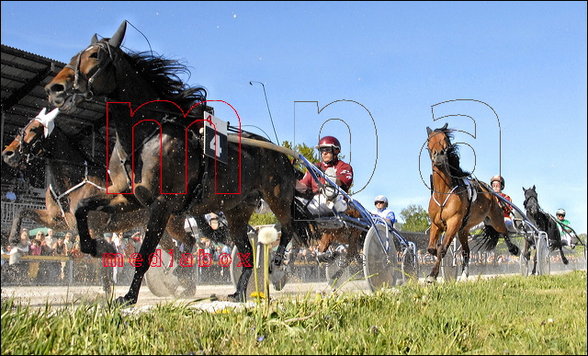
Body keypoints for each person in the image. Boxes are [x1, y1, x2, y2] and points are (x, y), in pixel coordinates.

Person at [296, 136, 354, 215]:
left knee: (329, 195)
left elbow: (342, 182)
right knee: (295, 201)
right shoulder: (314, 167)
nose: (324, 153)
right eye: (321, 150)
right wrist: (290, 182)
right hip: (315, 201)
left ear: (336, 151)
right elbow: (303, 186)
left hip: (337, 201)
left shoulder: (344, 166)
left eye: (327, 150)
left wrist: (327, 177)